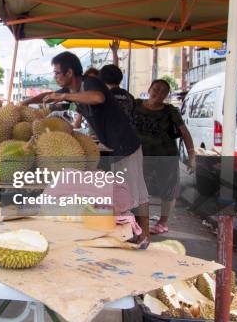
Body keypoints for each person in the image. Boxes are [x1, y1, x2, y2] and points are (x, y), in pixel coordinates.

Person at [21, 51, 150, 245]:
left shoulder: (90, 82)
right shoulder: (74, 93)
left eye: (57, 73)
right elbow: (48, 96)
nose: (55, 77)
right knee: (119, 192)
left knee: (137, 192)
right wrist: (26, 102)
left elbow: (98, 98)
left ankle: (145, 235)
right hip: (113, 146)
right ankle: (127, 232)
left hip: (127, 144)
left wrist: (65, 95)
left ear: (70, 72)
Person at [133, 79, 196, 235]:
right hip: (140, 156)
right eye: (156, 89)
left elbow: (185, 133)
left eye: (163, 92)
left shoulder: (170, 111)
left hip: (165, 155)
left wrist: (192, 155)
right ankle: (139, 220)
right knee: (139, 188)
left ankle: (163, 222)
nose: (158, 93)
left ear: (167, 95)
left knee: (168, 190)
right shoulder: (135, 105)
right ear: (149, 88)